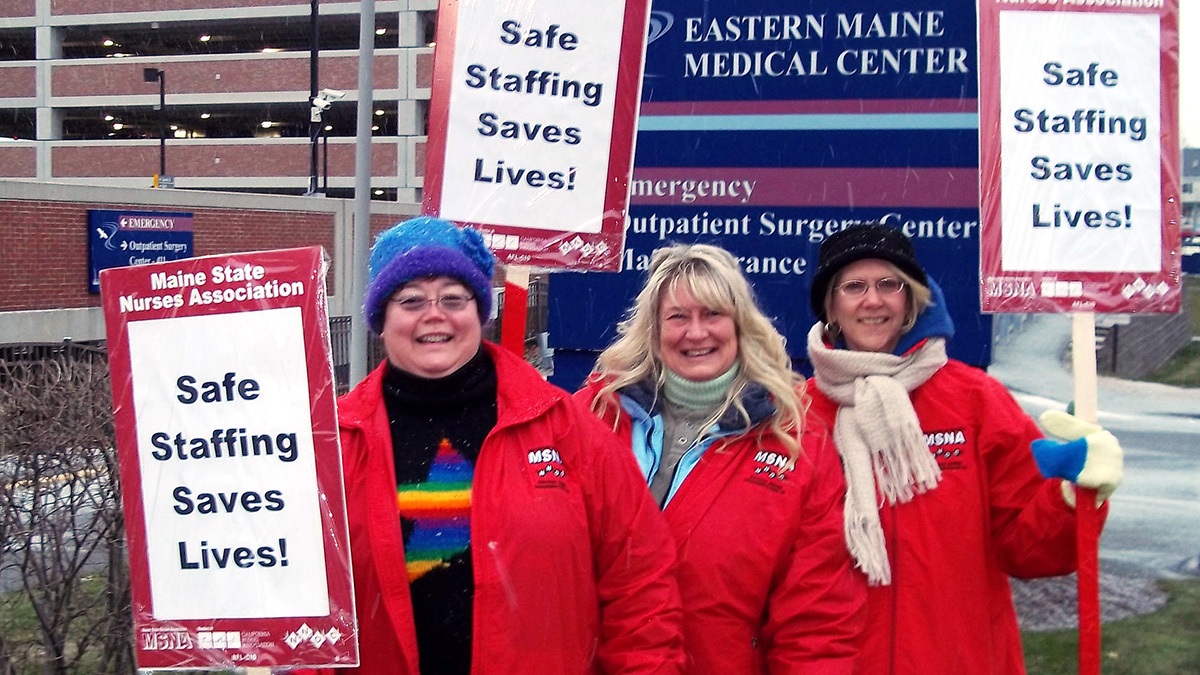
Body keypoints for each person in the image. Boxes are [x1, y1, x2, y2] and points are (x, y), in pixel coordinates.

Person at [332, 216, 684, 675]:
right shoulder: (332, 444)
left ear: (480, 311)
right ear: (382, 318)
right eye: (411, 300)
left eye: (454, 298)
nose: (433, 314)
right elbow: (299, 608)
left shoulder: (565, 426)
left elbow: (641, 587)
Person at [804, 223, 1124, 675]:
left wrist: (1071, 498)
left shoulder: (976, 400)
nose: (872, 300)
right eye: (853, 286)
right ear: (830, 307)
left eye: (889, 285)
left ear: (911, 299)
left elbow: (1030, 551)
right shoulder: (797, 418)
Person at [575, 243, 865, 674]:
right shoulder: (591, 417)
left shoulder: (793, 438)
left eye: (713, 314)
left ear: (740, 325)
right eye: (677, 317)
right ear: (653, 330)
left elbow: (816, 621)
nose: (696, 332)